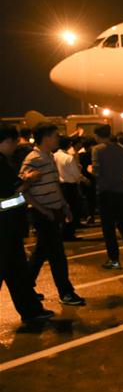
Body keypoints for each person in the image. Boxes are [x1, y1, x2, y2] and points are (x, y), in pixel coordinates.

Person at [19, 122, 85, 306]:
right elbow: (23, 190)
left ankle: (26, 288)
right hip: (42, 214)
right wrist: (43, 210)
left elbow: (55, 185)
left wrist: (64, 206)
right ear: (46, 137)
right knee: (57, 255)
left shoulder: (48, 157)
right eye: (55, 136)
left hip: (53, 211)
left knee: (41, 252)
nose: (58, 139)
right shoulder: (33, 159)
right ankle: (66, 293)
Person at [1, 125, 54, 324]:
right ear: (7, 141)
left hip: (9, 229)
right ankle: (31, 311)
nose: (15, 147)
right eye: (14, 143)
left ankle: (31, 311)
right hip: (5, 228)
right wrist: (29, 179)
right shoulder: (1, 163)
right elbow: (15, 189)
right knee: (14, 270)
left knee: (17, 273)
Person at [92, 125, 123, 269]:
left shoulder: (97, 150)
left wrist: (91, 170)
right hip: (121, 190)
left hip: (105, 191)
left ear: (98, 135)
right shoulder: (122, 150)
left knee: (108, 227)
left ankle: (114, 259)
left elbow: (96, 170)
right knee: (122, 222)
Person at [54, 135, 84, 241]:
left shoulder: (54, 155)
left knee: (63, 209)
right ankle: (69, 234)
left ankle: (63, 231)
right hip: (70, 186)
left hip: (59, 185)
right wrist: (79, 171)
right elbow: (76, 175)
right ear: (69, 144)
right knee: (72, 210)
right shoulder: (68, 157)